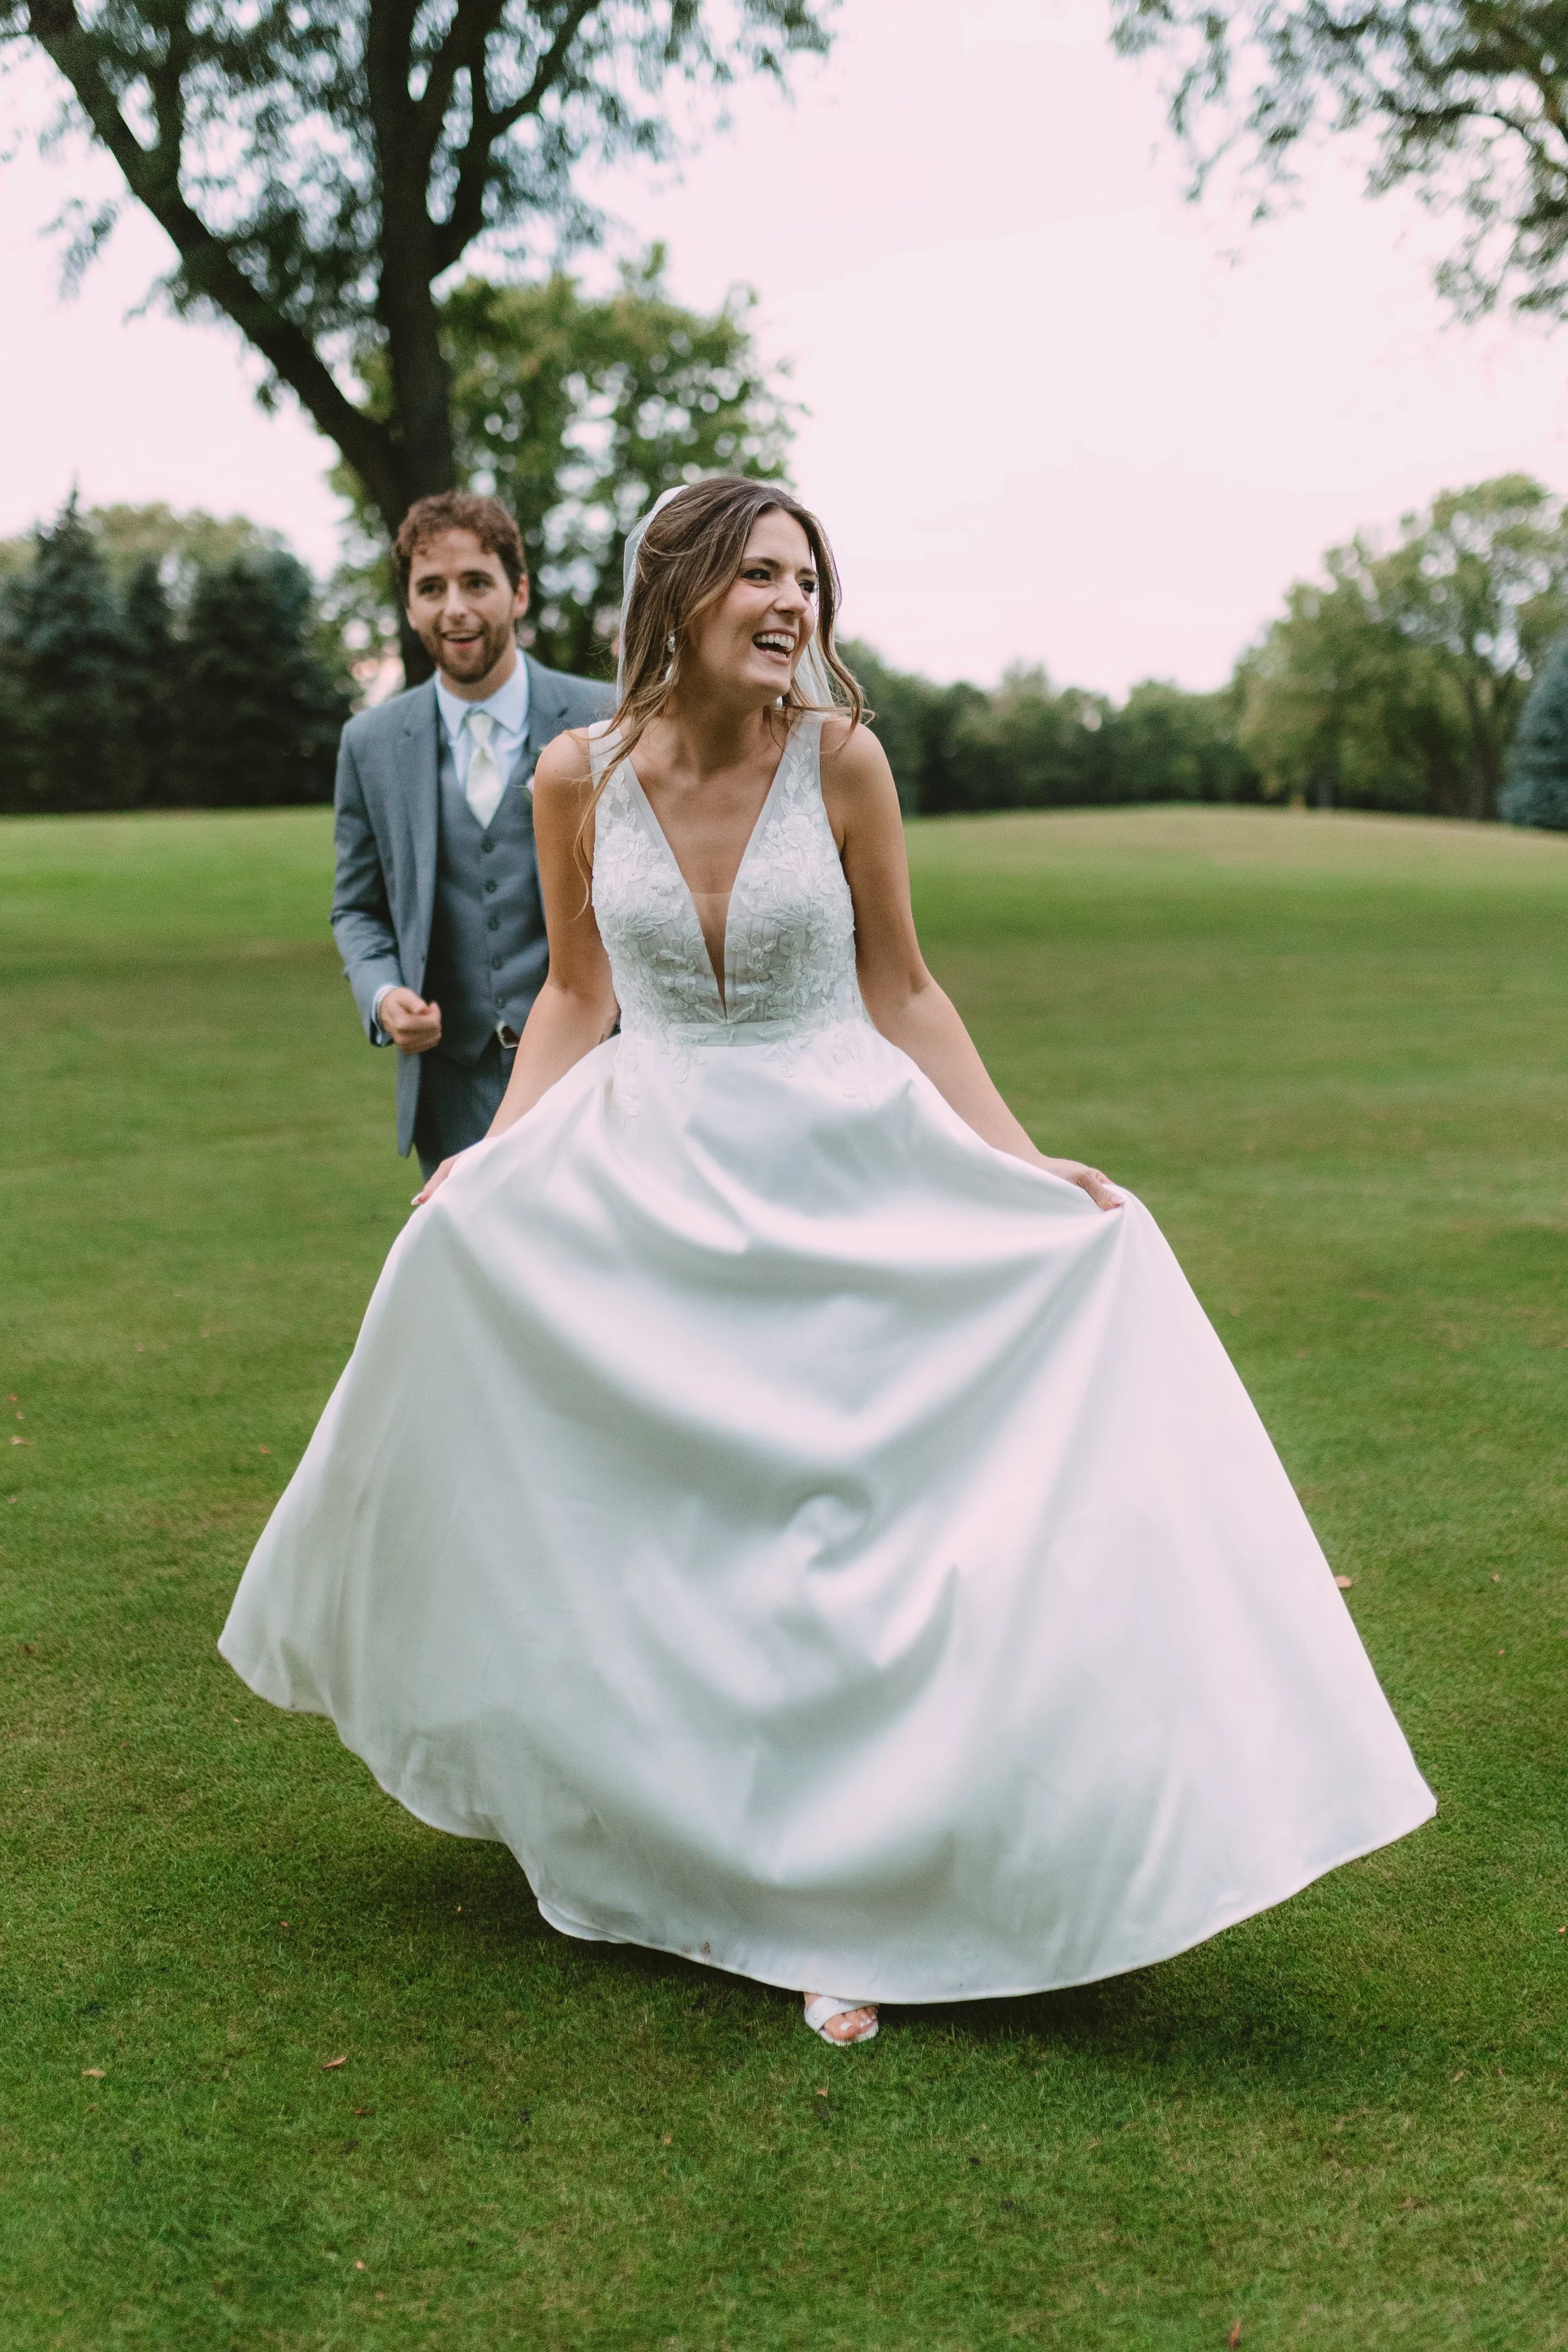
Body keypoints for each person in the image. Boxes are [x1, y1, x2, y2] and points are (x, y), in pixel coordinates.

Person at [221, 476, 1434, 2050]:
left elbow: (908, 990)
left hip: (843, 1168)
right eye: (762, 578)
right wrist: (493, 1159)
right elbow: (579, 999)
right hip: (653, 1179)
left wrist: (1022, 1162)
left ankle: (861, 1901)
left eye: (809, 579)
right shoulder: (576, 774)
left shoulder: (842, 758)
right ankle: (709, 1858)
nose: (794, 605)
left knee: (849, 1533)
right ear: (683, 591)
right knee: (693, 1540)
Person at [330, 492, 612, 1175]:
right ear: (408, 607)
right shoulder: (369, 743)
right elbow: (357, 907)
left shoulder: (605, 717)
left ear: (517, 594)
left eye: (475, 583)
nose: (453, 607)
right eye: (431, 588)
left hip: (595, 1080)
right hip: (449, 1093)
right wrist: (382, 992)